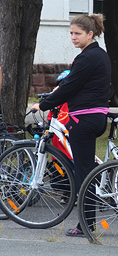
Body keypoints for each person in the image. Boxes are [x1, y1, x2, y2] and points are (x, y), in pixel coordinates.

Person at [31, 14, 111, 237]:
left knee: (84, 173)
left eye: (77, 33)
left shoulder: (86, 57)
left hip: (83, 119)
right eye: (71, 33)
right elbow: (74, 82)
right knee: (85, 169)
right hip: (96, 117)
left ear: (90, 34)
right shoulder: (99, 55)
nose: (73, 37)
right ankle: (87, 222)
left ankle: (86, 225)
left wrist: (44, 104)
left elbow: (70, 87)